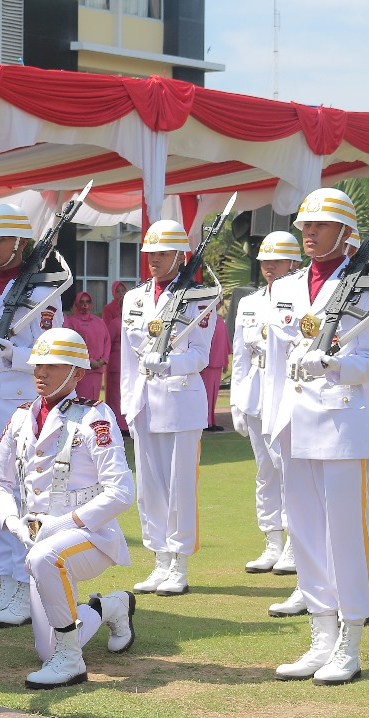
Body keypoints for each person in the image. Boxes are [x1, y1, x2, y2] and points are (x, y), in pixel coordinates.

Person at [262, 188, 369, 685]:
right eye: (305, 226)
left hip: (341, 423)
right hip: (294, 423)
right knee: (307, 535)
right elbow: (278, 363)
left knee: (346, 537)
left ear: (345, 233)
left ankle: (350, 642)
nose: (308, 234)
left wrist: (336, 366)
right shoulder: (287, 287)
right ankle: (320, 636)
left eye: (319, 227)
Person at [0, 327, 137, 689]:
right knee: (45, 648)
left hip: (90, 535)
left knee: (44, 559)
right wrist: (11, 520)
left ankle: (71, 662)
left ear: (78, 373)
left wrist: (61, 524)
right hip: (38, 541)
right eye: (38, 363)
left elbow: (121, 492)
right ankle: (111, 607)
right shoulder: (21, 417)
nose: (40, 372)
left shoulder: (95, 418)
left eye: (53, 365)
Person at [0, 203, 64, 628]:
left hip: (23, 410)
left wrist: (15, 355)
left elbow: (58, 353)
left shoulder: (43, 292)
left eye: (0, 239)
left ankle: (27, 588)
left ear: (21, 242)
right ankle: (6, 585)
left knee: (26, 502)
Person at [120, 219, 216, 597]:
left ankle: (179, 563)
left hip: (180, 399)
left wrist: (170, 364)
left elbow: (201, 356)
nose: (154, 260)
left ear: (180, 255)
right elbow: (129, 357)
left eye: (161, 253)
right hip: (144, 400)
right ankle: (159, 560)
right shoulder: (136, 297)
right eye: (149, 254)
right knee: (149, 489)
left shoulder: (200, 296)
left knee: (180, 487)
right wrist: (128, 401)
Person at [230, 232, 301, 581]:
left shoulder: (301, 300)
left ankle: (293, 542)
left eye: (278, 260)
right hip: (256, 391)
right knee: (265, 470)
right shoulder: (250, 302)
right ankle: (272, 540)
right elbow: (240, 355)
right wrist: (236, 401)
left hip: (287, 389)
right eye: (265, 261)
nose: (270, 266)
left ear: (295, 263)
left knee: (288, 468)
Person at [63, 291, 110, 401]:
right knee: (81, 402)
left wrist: (103, 360)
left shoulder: (99, 322)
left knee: (94, 401)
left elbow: (107, 341)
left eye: (87, 302)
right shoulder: (71, 321)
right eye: (82, 302)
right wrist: (88, 360)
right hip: (81, 370)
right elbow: (71, 344)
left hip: (97, 370)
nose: (85, 305)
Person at [103, 281, 130, 432]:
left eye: (123, 291)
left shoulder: (128, 322)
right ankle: (117, 423)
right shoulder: (113, 320)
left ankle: (124, 423)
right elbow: (108, 339)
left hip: (125, 362)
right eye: (118, 291)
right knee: (115, 395)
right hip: (115, 362)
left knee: (124, 393)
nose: (120, 293)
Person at [202, 309, 230, 431]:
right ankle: (205, 421)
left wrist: (225, 361)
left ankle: (211, 421)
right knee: (206, 395)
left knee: (213, 395)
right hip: (206, 363)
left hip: (217, 362)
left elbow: (224, 342)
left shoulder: (219, 321)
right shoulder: (205, 320)